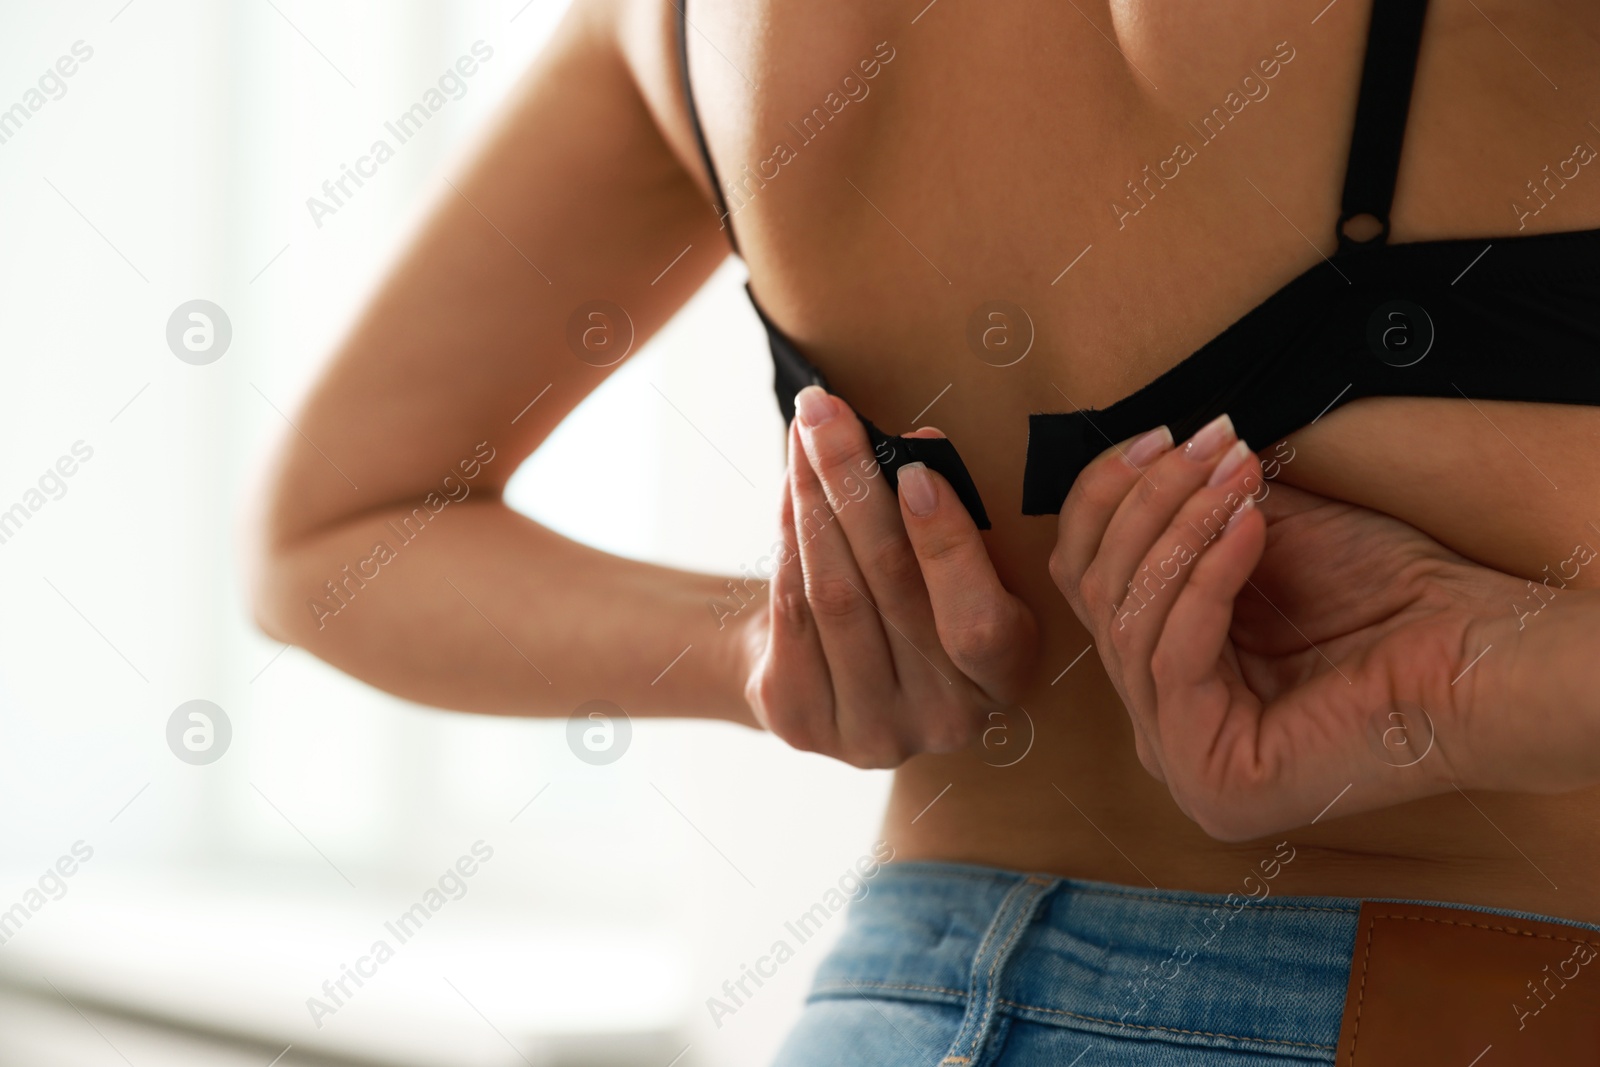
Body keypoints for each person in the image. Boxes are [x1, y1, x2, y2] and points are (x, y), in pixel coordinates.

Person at [251, 0, 1600, 1061]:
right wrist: (1476, 689)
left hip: (890, 1012)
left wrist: (753, 654)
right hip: (1481, 1001)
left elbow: (325, 545)